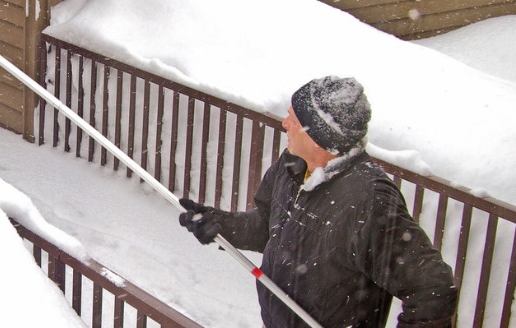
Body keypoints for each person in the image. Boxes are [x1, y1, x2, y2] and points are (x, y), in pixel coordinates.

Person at [178, 76, 457, 327]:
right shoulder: (292, 166)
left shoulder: (369, 200)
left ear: (319, 134)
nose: (284, 124)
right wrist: (221, 224)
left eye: (293, 120)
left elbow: (433, 287)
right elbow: (268, 226)